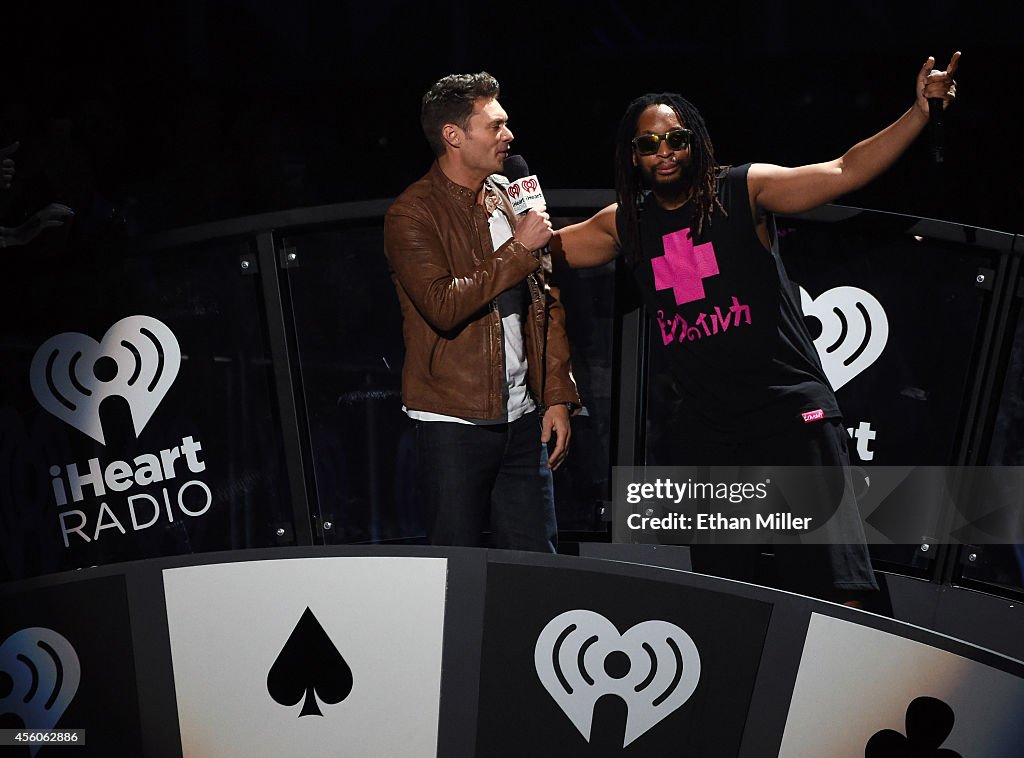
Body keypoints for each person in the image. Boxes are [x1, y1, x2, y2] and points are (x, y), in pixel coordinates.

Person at [552, 54, 960, 602]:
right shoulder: (627, 224)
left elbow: (845, 170)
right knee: (729, 599)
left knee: (834, 592)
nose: (664, 153)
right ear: (634, 154)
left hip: (789, 419)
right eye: (649, 145)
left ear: (695, 141)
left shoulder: (743, 191)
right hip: (709, 436)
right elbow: (541, 253)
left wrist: (917, 113)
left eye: (675, 139)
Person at [383, 72, 581, 552]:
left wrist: (556, 394)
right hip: (453, 424)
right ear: (454, 136)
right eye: (494, 126)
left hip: (522, 418)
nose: (508, 136)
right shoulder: (412, 214)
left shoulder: (509, 194)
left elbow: (544, 298)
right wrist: (518, 249)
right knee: (457, 564)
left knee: (537, 564)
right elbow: (444, 305)